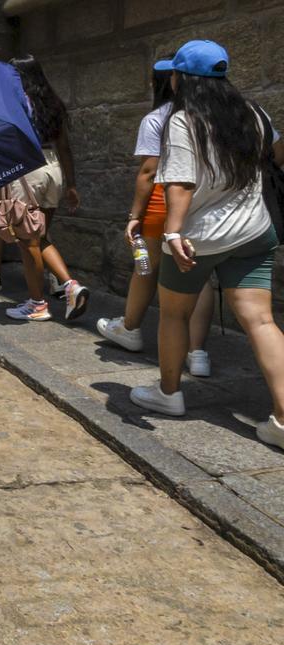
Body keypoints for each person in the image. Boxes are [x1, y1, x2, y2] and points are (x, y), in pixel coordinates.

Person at [128, 40, 284, 453]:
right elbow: (278, 154)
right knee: (262, 322)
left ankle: (169, 393)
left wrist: (174, 233)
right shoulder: (253, 113)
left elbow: (179, 182)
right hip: (254, 231)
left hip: (199, 238)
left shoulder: (184, 120)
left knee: (174, 316)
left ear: (181, 77)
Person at [96, 63, 216, 376]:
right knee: (198, 275)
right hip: (202, 200)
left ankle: (130, 327)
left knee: (145, 266)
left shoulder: (158, 118)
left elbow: (149, 171)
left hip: (165, 200)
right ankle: (197, 352)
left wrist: (134, 215)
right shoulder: (211, 114)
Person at [0, 55, 91, 323]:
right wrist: (71, 184)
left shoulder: (15, 103)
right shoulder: (52, 103)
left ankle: (38, 303)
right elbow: (65, 148)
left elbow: (5, 146)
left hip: (27, 171)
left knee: (28, 241)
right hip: (53, 168)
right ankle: (70, 286)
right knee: (40, 236)